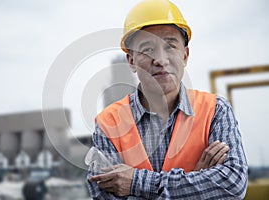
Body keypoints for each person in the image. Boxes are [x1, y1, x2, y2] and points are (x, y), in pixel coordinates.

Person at [87, 0, 248, 199]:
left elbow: (233, 183)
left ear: (185, 55)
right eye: (147, 49)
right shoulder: (107, 124)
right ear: (131, 61)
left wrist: (136, 183)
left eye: (170, 46)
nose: (161, 60)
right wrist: (196, 180)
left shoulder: (216, 110)